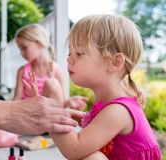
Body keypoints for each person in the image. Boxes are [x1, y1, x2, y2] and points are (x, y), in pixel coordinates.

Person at [23, 14, 162, 160]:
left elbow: (74, 149)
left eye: (79, 53)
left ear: (114, 63)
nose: (69, 59)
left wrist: (47, 115)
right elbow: (92, 121)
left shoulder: (118, 111)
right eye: (70, 53)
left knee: (93, 158)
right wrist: (60, 113)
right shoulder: (112, 105)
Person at [13, 24, 88, 110]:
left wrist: (69, 102)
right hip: (29, 113)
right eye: (20, 49)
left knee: (52, 83)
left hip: (48, 116)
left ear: (40, 43)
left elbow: (61, 103)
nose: (21, 53)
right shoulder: (22, 71)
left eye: (24, 47)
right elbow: (16, 99)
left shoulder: (56, 71)